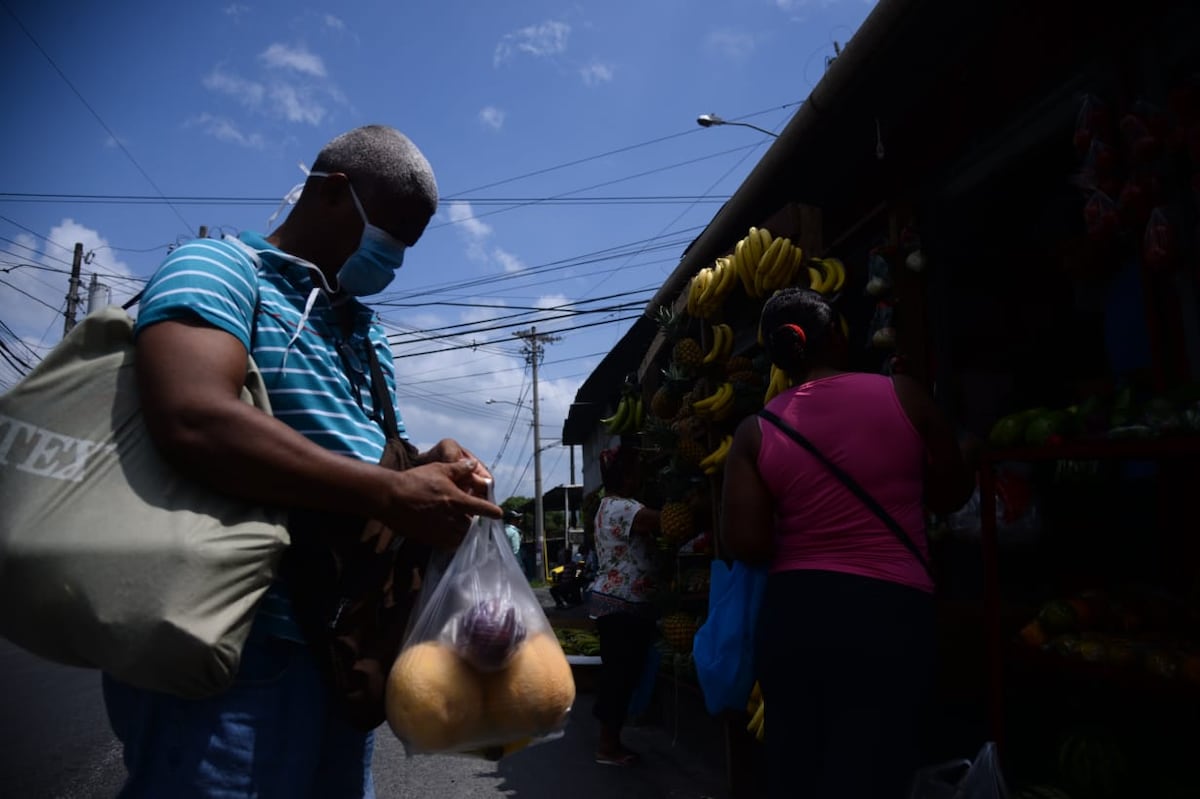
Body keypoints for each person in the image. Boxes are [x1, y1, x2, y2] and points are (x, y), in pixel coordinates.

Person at [103, 124, 502, 798]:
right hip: (233, 647)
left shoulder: (363, 330)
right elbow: (192, 417)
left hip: (337, 651)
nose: (395, 260)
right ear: (333, 193)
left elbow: (380, 468)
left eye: (408, 245)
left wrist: (430, 464)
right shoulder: (219, 267)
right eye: (391, 235)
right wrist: (387, 493)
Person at [719, 288, 975, 799]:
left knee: (798, 766)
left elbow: (747, 544)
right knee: (879, 764)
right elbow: (953, 494)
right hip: (892, 612)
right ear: (837, 334)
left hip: (796, 615)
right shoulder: (905, 395)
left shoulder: (756, 430)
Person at [586, 444, 661, 767]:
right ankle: (607, 745)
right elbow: (660, 521)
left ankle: (611, 740)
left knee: (619, 673)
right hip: (623, 604)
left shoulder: (606, 505)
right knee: (620, 675)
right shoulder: (623, 507)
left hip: (615, 602)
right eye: (636, 473)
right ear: (627, 477)